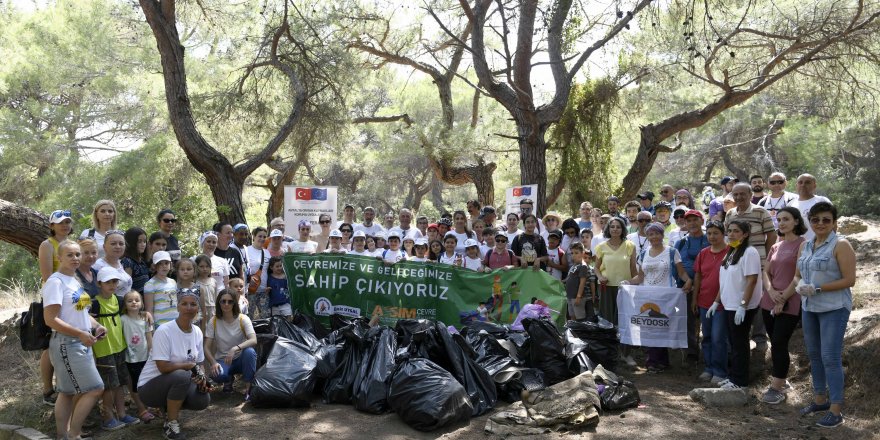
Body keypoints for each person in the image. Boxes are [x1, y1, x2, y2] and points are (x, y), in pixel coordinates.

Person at [788, 202, 855, 428]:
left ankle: (836, 410)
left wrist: (817, 289)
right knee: (814, 355)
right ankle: (819, 400)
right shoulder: (805, 246)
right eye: (816, 220)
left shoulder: (841, 244)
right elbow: (797, 275)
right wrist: (799, 286)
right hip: (809, 308)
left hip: (834, 308)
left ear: (834, 222)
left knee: (830, 357)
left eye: (826, 219)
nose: (820, 224)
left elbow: (849, 280)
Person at [42, 239, 105, 440]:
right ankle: (74, 434)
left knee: (67, 391)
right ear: (59, 258)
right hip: (67, 343)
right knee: (96, 388)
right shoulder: (55, 281)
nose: (75, 258)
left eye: (78, 254)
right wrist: (79, 334)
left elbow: (80, 312)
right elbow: (50, 319)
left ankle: (63, 436)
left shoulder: (74, 280)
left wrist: (96, 326)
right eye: (70, 255)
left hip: (80, 341)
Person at [137, 288, 210, 440]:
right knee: (182, 376)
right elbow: (162, 367)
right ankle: (171, 424)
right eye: (184, 304)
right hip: (149, 387)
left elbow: (200, 362)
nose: (189, 308)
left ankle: (167, 411)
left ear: (198, 308)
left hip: (176, 381)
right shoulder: (164, 331)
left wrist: (202, 378)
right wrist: (188, 366)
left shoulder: (197, 331)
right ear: (177, 307)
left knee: (202, 398)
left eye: (193, 304)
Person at [625, 222, 692, 373]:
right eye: (650, 234)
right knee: (649, 327)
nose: (654, 236)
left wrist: (688, 280)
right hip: (647, 296)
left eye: (657, 233)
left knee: (662, 327)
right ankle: (653, 362)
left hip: (666, 296)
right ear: (647, 236)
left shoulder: (671, 251)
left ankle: (659, 362)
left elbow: (681, 273)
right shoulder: (643, 254)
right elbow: (640, 277)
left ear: (662, 235)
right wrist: (627, 282)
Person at [706, 220, 762, 390]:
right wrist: (716, 302)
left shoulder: (750, 252)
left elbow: (752, 280)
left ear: (745, 234)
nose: (731, 234)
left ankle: (740, 381)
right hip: (729, 304)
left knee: (739, 344)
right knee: (733, 342)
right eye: (729, 231)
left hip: (741, 306)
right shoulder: (731, 251)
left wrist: (743, 305)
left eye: (736, 231)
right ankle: (733, 377)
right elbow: (724, 281)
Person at [759, 207, 807, 405]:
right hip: (769, 299)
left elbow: (799, 275)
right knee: (775, 342)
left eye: (786, 219)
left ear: (796, 221)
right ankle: (782, 379)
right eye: (779, 219)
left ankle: (777, 388)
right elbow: (766, 273)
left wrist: (783, 299)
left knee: (779, 341)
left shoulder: (803, 245)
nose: (782, 222)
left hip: (791, 299)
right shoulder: (776, 246)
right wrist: (770, 292)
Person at [724, 182, 777, 349]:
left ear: (750, 194)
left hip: (758, 262)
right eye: (736, 194)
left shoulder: (761, 212)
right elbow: (730, 238)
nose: (739, 197)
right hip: (735, 264)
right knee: (740, 297)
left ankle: (760, 338)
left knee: (758, 299)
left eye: (742, 194)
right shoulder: (730, 213)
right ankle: (742, 337)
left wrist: (766, 259)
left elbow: (772, 236)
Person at [91, 268, 141, 431]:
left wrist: (146, 313)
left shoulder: (119, 301)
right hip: (103, 349)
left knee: (119, 382)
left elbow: (133, 313)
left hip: (120, 348)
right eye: (108, 282)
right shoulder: (95, 303)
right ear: (99, 284)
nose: (112, 285)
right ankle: (107, 417)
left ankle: (122, 414)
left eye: (115, 281)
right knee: (108, 386)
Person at [594, 217, 637, 366]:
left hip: (624, 289)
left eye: (618, 227)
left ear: (623, 229)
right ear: (608, 229)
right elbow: (596, 267)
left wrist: (634, 284)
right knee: (607, 321)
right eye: (612, 227)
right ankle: (608, 354)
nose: (615, 229)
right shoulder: (601, 247)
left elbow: (633, 270)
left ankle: (626, 354)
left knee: (624, 321)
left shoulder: (630, 246)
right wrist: (600, 277)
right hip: (606, 289)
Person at [692, 221, 730, 385]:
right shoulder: (703, 253)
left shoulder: (731, 252)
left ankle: (720, 371)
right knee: (706, 337)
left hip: (723, 302)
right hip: (703, 301)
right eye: (709, 233)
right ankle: (709, 368)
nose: (712, 237)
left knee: (718, 338)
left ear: (723, 234)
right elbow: (698, 276)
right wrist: (694, 298)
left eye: (716, 233)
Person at [205, 289, 257, 401]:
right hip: (223, 360)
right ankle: (227, 379)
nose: (226, 304)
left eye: (230, 301)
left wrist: (235, 348)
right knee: (218, 375)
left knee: (250, 352)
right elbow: (206, 347)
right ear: (219, 302)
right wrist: (213, 363)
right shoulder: (213, 321)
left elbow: (253, 340)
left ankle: (249, 389)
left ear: (235, 303)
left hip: (240, 358)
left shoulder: (243, 318)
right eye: (223, 301)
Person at [674, 210, 710, 364]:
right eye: (689, 221)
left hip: (708, 287)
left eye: (695, 220)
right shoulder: (680, 242)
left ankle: (710, 354)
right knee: (688, 321)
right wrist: (687, 282)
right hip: (686, 287)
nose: (692, 223)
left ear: (702, 221)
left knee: (708, 321)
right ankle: (691, 354)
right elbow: (675, 266)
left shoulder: (710, 239)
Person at [120, 290, 156, 423]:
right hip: (131, 359)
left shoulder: (145, 318)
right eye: (130, 301)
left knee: (148, 382)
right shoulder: (122, 319)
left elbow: (149, 337)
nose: (134, 303)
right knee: (135, 385)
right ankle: (142, 409)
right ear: (125, 304)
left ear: (141, 303)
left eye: (137, 300)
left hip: (146, 357)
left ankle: (150, 405)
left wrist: (152, 353)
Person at [790, 174, 832, 241]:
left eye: (807, 182)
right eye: (800, 182)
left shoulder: (822, 201)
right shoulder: (791, 204)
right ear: (796, 185)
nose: (803, 185)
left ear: (814, 186)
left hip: (819, 244)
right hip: (796, 246)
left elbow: (833, 223)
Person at [94, 230, 134, 299]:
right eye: (113, 244)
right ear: (104, 247)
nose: (118, 246)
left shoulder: (120, 263)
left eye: (121, 244)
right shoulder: (98, 266)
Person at [144, 251, 179, 329]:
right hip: (160, 325)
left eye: (166, 263)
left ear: (170, 264)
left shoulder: (173, 282)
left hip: (175, 322)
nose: (164, 266)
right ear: (155, 266)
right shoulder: (150, 284)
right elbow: (149, 309)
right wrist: (151, 328)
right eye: (160, 264)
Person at [565, 243, 596, 320]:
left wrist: (578, 296)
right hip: (570, 295)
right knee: (572, 316)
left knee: (580, 318)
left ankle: (580, 332)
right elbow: (569, 278)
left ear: (582, 253)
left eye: (576, 253)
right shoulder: (574, 266)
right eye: (572, 253)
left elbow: (582, 282)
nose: (573, 255)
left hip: (577, 297)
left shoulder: (583, 266)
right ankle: (573, 331)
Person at [245, 227, 270, 319]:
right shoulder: (247, 251)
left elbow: (269, 271)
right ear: (254, 236)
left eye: (264, 237)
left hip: (264, 291)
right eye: (260, 236)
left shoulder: (267, 253)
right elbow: (243, 269)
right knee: (249, 318)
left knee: (266, 317)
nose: (262, 239)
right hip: (250, 291)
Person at [122, 228, 150, 294]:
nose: (143, 244)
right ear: (131, 242)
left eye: (144, 241)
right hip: (135, 300)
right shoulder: (128, 262)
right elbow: (127, 286)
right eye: (139, 241)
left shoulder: (142, 261)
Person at [194, 254, 219, 328]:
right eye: (201, 266)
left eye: (207, 266)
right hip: (200, 311)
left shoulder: (213, 281)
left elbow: (215, 298)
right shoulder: (195, 283)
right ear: (196, 267)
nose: (204, 269)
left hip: (212, 311)